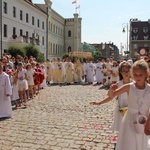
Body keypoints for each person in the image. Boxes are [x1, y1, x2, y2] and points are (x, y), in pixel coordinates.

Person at [108, 59, 150, 150]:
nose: (138, 77)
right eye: (135, 75)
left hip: (144, 121)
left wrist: (148, 123)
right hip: (129, 121)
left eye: (140, 75)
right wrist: (111, 90)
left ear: (146, 74)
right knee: (129, 144)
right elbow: (112, 95)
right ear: (132, 74)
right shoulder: (129, 87)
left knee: (142, 143)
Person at [90, 61, 132, 132]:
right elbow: (110, 96)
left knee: (130, 129)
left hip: (131, 110)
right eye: (124, 71)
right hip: (121, 109)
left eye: (128, 71)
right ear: (120, 72)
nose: (126, 73)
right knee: (122, 129)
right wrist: (99, 103)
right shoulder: (118, 84)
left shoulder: (134, 84)